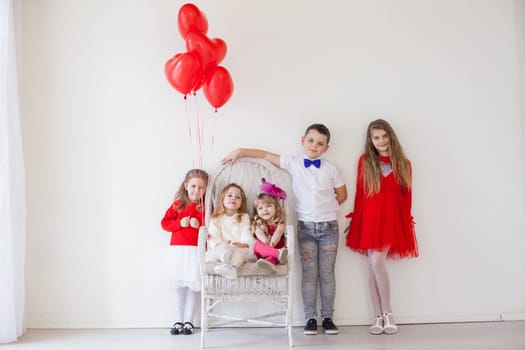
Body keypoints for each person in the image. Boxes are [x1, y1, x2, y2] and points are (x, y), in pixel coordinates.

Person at [222, 123, 347, 335]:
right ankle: (310, 318)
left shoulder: (331, 169)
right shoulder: (294, 162)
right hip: (305, 227)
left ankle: (327, 317)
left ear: (326, 147)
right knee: (308, 274)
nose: (314, 146)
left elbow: (342, 195)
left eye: (320, 143)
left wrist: (323, 209)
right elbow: (265, 154)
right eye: (310, 141)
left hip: (329, 228)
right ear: (302, 140)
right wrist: (240, 151)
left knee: (326, 274)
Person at [345, 119, 418, 335]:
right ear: (371, 140)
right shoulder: (365, 161)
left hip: (392, 221)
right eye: (376, 137)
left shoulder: (404, 163)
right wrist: (356, 220)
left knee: (376, 261)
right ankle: (377, 316)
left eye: (384, 136)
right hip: (369, 219)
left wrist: (405, 223)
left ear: (391, 136)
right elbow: (360, 193)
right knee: (372, 265)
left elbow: (407, 197)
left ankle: (388, 312)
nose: (381, 141)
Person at [160, 168, 209, 336]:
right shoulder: (178, 205)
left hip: (196, 251)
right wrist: (181, 223)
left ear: (206, 189)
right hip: (179, 251)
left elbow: (211, 231)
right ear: (186, 185)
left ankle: (189, 321)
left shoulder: (205, 208)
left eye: (201, 187)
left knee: (194, 286)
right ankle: (178, 320)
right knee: (180, 288)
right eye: (194, 186)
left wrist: (200, 227)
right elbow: (165, 224)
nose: (197, 191)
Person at [206, 183, 257, 279]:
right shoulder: (215, 218)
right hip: (222, 247)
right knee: (222, 250)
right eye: (229, 195)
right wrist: (223, 244)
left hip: (239, 247)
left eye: (238, 197)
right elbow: (213, 236)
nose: (233, 198)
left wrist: (244, 244)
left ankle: (230, 267)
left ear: (242, 202)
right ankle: (227, 260)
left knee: (241, 254)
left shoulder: (243, 217)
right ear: (222, 199)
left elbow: (246, 233)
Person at [251, 178, 289, 273]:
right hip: (263, 249)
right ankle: (277, 254)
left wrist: (271, 244)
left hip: (275, 247)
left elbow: (278, 234)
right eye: (261, 208)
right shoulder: (257, 224)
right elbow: (259, 233)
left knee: (273, 258)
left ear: (275, 208)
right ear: (257, 212)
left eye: (268, 206)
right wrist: (265, 240)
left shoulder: (280, 223)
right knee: (255, 245)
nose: (265, 210)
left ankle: (268, 263)